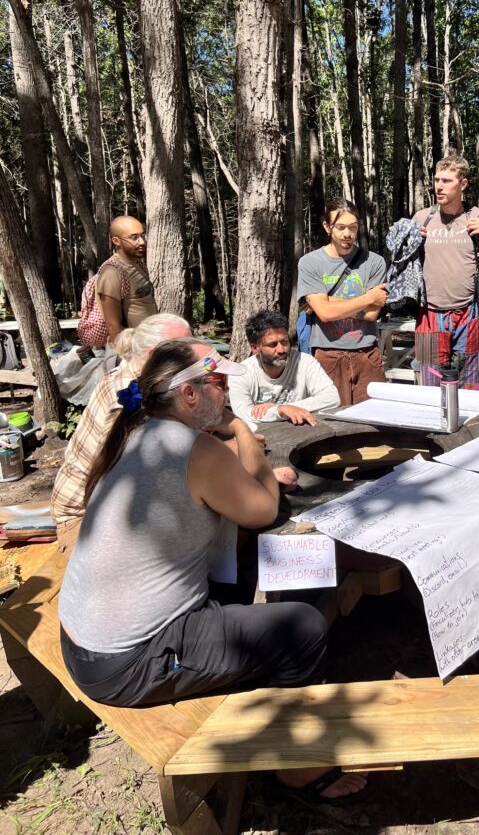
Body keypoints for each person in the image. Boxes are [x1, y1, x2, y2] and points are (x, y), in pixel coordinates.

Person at [57, 339, 366, 800]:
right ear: (190, 396)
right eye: (219, 382)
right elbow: (262, 510)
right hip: (127, 663)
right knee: (303, 626)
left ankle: (261, 681)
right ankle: (298, 770)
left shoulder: (134, 431)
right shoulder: (195, 448)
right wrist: (240, 430)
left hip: (83, 640)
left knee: (240, 574)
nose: (228, 391)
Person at [51, 313, 192, 557]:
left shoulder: (139, 379)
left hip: (104, 508)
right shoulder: (128, 398)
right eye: (182, 352)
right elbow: (148, 475)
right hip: (83, 518)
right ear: (151, 357)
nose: (191, 358)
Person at [413, 154, 479, 386]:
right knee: (429, 383)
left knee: (468, 384)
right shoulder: (422, 218)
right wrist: (409, 242)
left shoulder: (477, 217)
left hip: (467, 314)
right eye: (437, 179)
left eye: (446, 181)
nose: (439, 186)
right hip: (429, 314)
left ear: (463, 184)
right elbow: (400, 264)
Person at [297, 198, 388, 406]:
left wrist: (328, 302)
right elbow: (325, 315)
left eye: (353, 227)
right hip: (327, 357)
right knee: (330, 421)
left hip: (367, 354)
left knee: (373, 422)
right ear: (327, 227)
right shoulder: (310, 262)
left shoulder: (374, 262)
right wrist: (367, 298)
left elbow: (371, 315)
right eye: (340, 227)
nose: (347, 234)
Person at [229, 310, 340, 427]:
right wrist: (280, 411)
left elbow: (332, 398)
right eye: (272, 345)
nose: (281, 350)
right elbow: (243, 413)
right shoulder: (240, 373)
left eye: (284, 342)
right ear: (255, 348)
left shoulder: (305, 362)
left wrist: (281, 408)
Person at [97, 216, 158, 345]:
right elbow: (113, 326)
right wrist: (130, 357)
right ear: (116, 241)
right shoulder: (112, 272)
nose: (142, 242)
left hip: (150, 342)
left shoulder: (138, 264)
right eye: (134, 237)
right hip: (135, 348)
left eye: (142, 236)